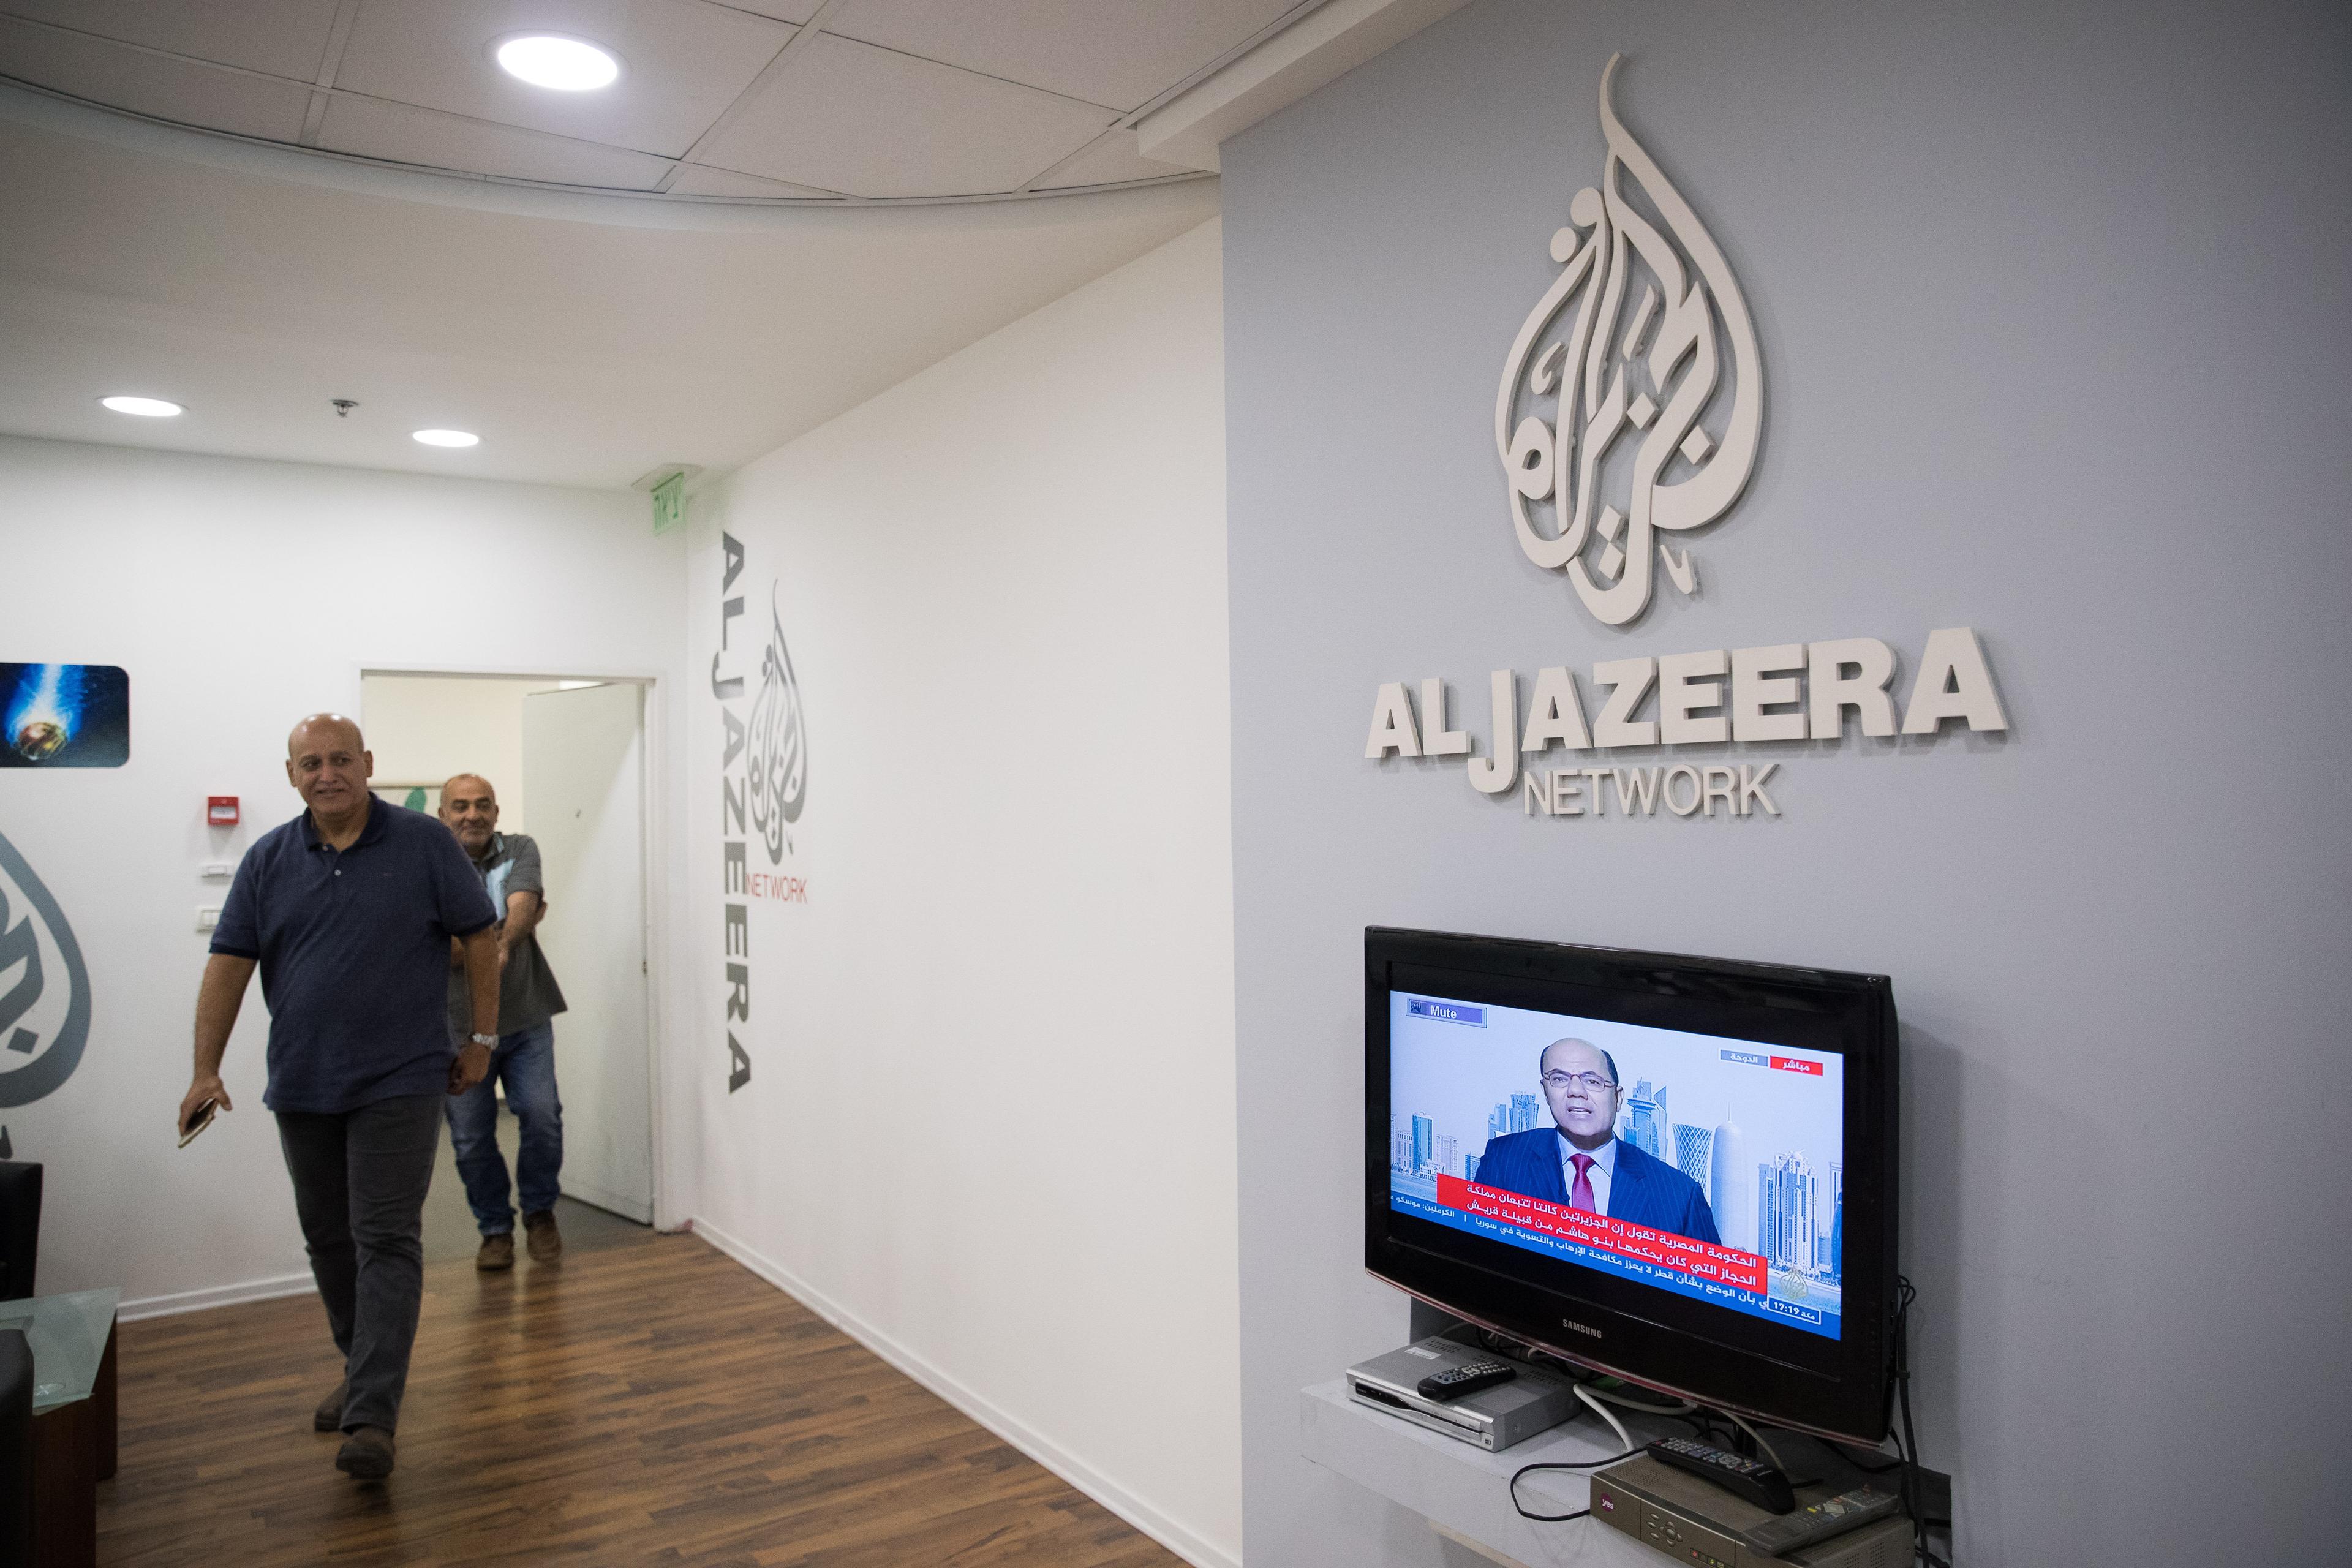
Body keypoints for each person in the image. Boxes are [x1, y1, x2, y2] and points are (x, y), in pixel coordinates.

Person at [178, 714, 500, 1480]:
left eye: (342, 760)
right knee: (329, 1238)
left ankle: (373, 1416)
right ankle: (363, 1369)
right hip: (302, 1078)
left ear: (368, 765)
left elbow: (482, 936)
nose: (329, 773)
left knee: (386, 1234)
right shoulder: (267, 860)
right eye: (312, 762)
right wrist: (204, 1068)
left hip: (403, 1076)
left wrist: (481, 1043)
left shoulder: (425, 844)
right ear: (291, 774)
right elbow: (229, 963)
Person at [435, 774, 569, 1271]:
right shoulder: (430, 861)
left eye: (482, 805)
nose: (473, 815)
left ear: (496, 811)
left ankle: (538, 1212)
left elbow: (524, 902)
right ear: (443, 814)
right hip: (457, 1029)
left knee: (541, 1117)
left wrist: (504, 941)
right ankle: (494, 1229)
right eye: (461, 806)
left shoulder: (520, 848)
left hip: (525, 1015)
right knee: (470, 1137)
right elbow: (431, 939)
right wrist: (484, 948)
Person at [1475, 1038, 1720, 1243]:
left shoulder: (1680, 1195)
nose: (1576, 1091)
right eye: (1559, 1079)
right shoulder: (1503, 1159)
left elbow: (1709, 1293)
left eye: (1592, 1081)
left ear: (1618, 1098)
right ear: (1545, 1092)